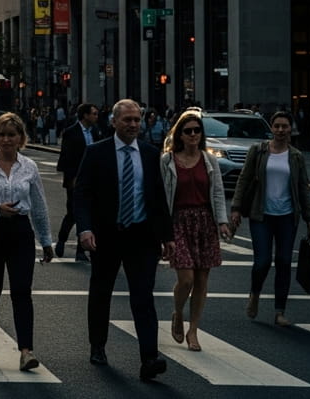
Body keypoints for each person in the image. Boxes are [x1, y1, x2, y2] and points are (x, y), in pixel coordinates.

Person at [75, 99, 174, 380]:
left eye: (137, 120)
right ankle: (98, 345)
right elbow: (82, 194)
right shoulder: (96, 153)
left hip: (141, 236)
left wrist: (167, 236)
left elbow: (157, 197)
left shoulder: (150, 153)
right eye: (127, 120)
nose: (133, 125)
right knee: (101, 292)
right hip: (106, 235)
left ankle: (149, 358)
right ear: (114, 122)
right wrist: (85, 228)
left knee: (143, 297)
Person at [0, 112, 54, 372]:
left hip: (21, 232)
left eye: (12, 135)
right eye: (2, 134)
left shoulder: (29, 167)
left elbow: (39, 206)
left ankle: (26, 351)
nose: (6, 140)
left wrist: (46, 240)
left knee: (22, 291)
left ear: (21, 138)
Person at [229, 111, 310, 327]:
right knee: (263, 261)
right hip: (262, 215)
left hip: (287, 217)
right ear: (272, 128)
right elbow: (244, 179)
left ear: (291, 129)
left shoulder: (295, 156)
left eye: (284, 126)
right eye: (276, 126)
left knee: (284, 262)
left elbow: (303, 189)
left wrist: (309, 218)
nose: (280, 130)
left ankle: (279, 311)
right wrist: (236, 209)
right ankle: (255, 293)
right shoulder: (258, 151)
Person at [159, 110, 230, 351]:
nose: (192, 135)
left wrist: (222, 222)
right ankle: (178, 311)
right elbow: (162, 197)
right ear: (179, 134)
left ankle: (193, 330)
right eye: (187, 131)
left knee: (202, 279)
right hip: (178, 221)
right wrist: (162, 230)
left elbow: (218, 192)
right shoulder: (167, 161)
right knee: (186, 278)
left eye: (196, 131)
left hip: (204, 222)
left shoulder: (209, 161)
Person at [55, 103, 100, 262]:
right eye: (93, 113)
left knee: (89, 215)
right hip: (75, 179)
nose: (96, 116)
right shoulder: (71, 132)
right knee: (73, 213)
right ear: (85, 115)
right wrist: (71, 178)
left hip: (92, 179)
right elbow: (66, 157)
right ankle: (61, 240)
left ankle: (81, 251)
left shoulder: (96, 131)